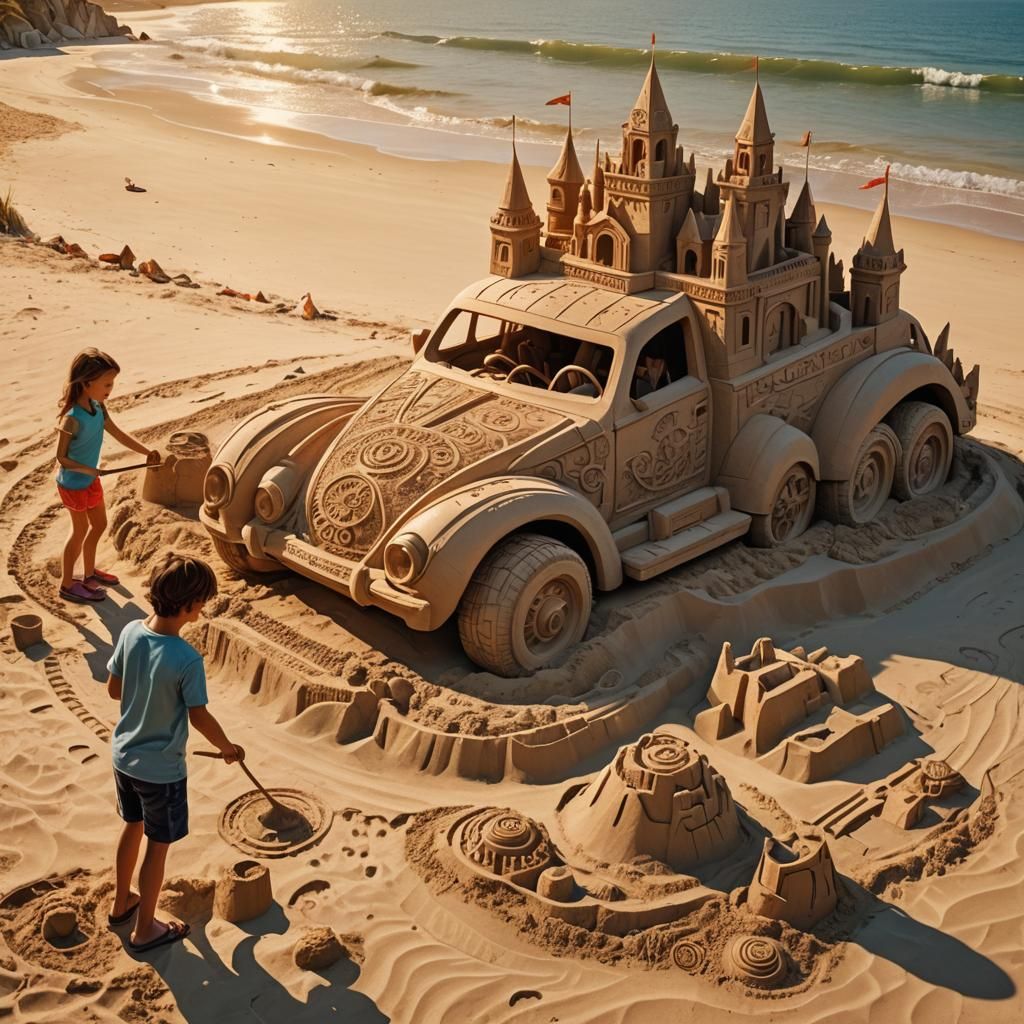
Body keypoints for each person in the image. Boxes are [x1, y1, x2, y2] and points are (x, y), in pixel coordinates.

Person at [105, 554, 244, 953]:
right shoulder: (186, 659)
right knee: (157, 845)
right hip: (161, 771)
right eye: (201, 603)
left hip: (124, 757)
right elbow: (199, 715)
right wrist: (228, 748)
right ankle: (144, 928)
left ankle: (121, 904)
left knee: (131, 825)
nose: (203, 609)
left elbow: (114, 690)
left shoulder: (131, 631)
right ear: (187, 606)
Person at [55, 348, 160, 605]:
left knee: (99, 525)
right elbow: (62, 458)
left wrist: (147, 452)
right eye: (107, 384)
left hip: (91, 480)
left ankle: (89, 573)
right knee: (79, 532)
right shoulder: (71, 418)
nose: (110, 389)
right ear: (87, 382)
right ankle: (68, 584)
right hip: (73, 484)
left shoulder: (98, 407)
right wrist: (88, 469)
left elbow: (118, 433)